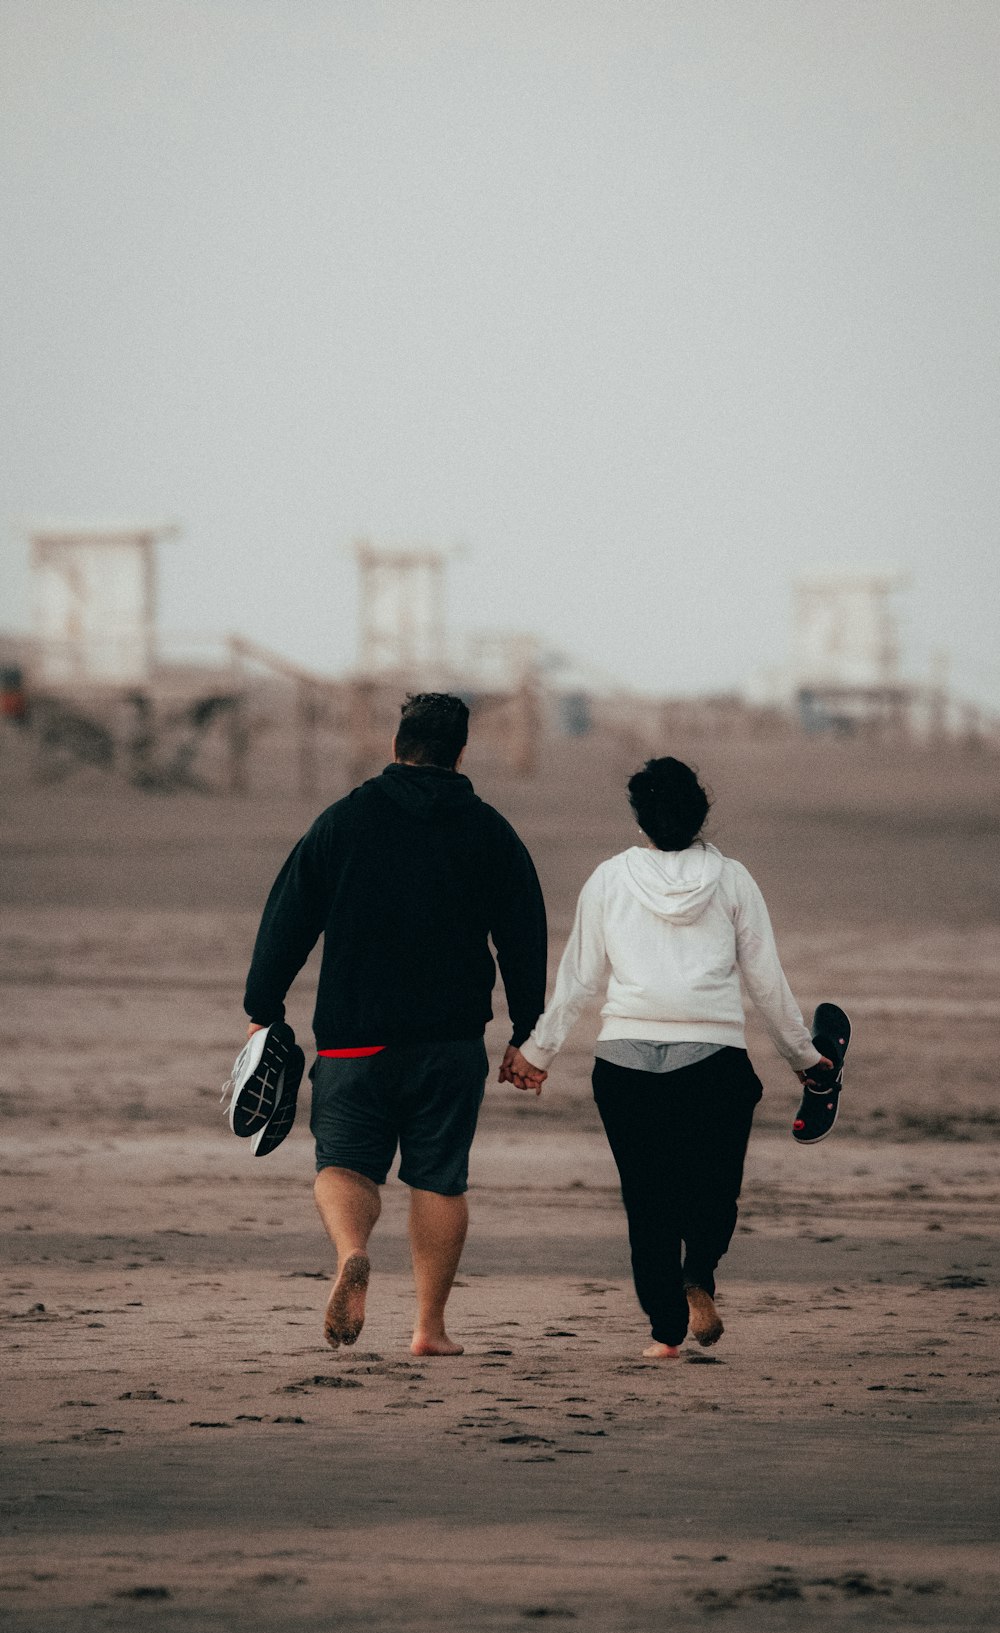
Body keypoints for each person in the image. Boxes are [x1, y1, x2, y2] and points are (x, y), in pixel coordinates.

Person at [242, 693, 547, 1356]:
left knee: (345, 1164)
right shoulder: (490, 830)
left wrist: (262, 1008)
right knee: (439, 1177)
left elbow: (287, 919)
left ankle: (353, 1250)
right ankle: (429, 1328)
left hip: (355, 1036)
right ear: (461, 752)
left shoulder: (343, 822)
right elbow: (523, 937)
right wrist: (530, 1030)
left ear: (395, 744)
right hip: (450, 1038)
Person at [507, 756, 828, 1359]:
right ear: (701, 812)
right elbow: (765, 981)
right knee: (713, 1188)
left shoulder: (608, 878)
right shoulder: (733, 879)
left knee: (646, 1198)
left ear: (641, 817)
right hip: (712, 1058)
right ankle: (698, 1276)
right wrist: (804, 1058)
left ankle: (665, 1330)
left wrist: (538, 1051)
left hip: (624, 1060)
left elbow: (579, 979)